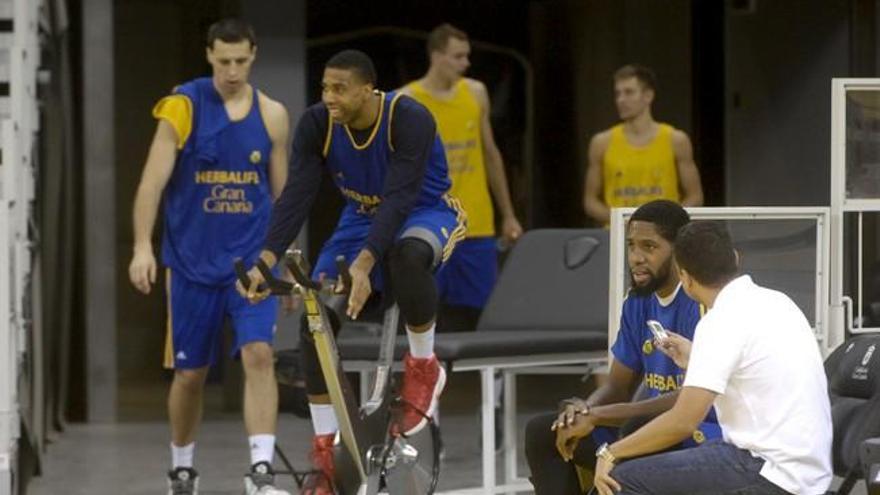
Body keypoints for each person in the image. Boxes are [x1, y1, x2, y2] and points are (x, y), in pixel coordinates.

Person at [238, 49, 464, 494]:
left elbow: (399, 198)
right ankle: (326, 454)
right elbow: (296, 197)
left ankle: (423, 364)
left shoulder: (408, 117)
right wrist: (264, 261)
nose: (329, 97)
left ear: (368, 89)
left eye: (339, 89)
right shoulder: (318, 124)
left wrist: (364, 263)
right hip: (361, 218)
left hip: (425, 210)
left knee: (404, 255)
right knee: (314, 317)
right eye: (324, 87)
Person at [126, 19, 291, 495]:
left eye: (241, 61)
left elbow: (284, 199)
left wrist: (286, 266)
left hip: (251, 266)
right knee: (190, 373)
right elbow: (151, 183)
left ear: (254, 55)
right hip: (193, 265)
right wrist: (141, 246)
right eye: (224, 62)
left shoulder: (273, 115)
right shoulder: (183, 106)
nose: (233, 71)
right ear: (209, 56)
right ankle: (182, 466)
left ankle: (261, 468)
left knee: (259, 355)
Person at [591, 221, 833, 495]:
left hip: (771, 472)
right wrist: (698, 356)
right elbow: (754, 371)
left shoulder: (718, 322)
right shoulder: (778, 302)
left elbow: (683, 422)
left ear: (685, 277)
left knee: (623, 479)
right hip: (805, 469)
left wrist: (609, 453)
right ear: (735, 258)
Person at [525, 200, 721, 494]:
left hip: (694, 432)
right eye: (631, 246)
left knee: (629, 443)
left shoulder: (700, 303)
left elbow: (688, 403)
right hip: (644, 426)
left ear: (678, 252)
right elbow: (617, 385)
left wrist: (600, 416)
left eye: (649, 247)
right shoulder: (637, 302)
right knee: (545, 431)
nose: (636, 258)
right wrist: (584, 410)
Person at [400, 23, 523, 330]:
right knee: (423, 312)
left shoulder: (476, 93)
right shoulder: (406, 101)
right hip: (430, 225)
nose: (466, 63)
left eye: (467, 56)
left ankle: (486, 378)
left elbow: (490, 154)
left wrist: (508, 214)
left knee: (483, 313)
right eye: (458, 56)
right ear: (437, 56)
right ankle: (425, 375)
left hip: (476, 223)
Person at [583, 64, 703, 226]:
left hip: (663, 237)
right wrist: (622, 220)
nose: (621, 100)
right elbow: (590, 201)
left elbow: (695, 196)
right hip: (618, 238)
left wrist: (666, 223)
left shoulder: (675, 140)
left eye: (629, 92)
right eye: (617, 93)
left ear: (648, 96)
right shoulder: (602, 143)